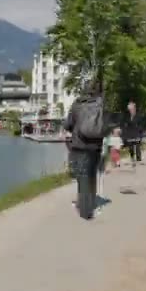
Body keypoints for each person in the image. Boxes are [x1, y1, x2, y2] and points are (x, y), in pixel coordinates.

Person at [64, 81, 106, 220]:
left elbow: (68, 124)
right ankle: (91, 202)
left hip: (80, 145)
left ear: (83, 90)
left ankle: (85, 210)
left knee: (82, 176)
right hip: (96, 146)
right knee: (92, 174)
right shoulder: (101, 104)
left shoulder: (77, 104)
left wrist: (74, 128)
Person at [121, 100, 144, 166]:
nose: (131, 110)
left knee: (137, 145)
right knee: (130, 146)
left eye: (132, 108)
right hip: (130, 132)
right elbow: (125, 123)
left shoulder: (138, 115)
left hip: (137, 132)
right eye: (129, 109)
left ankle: (138, 158)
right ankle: (132, 157)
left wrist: (140, 130)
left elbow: (141, 123)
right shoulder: (127, 116)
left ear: (134, 108)